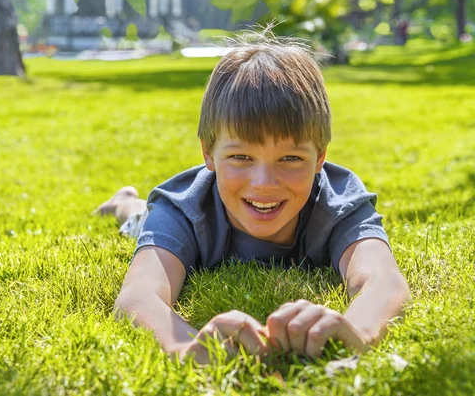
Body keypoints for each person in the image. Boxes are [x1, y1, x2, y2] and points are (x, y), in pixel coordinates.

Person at [99, 30, 410, 364]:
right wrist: (184, 347)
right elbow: (137, 297)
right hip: (166, 214)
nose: (264, 184)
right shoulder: (181, 210)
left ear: (320, 157)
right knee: (138, 218)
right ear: (208, 152)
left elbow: (383, 282)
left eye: (290, 159)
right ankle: (123, 202)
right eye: (241, 158)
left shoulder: (339, 202)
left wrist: (358, 331)